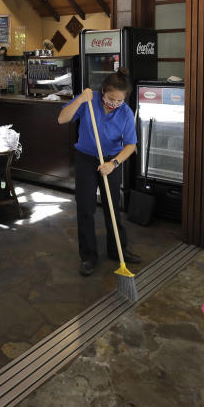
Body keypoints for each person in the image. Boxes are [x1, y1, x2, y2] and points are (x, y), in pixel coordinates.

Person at [57, 69, 142, 276]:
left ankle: (118, 250)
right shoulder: (89, 100)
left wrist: (113, 163)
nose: (114, 103)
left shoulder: (125, 113)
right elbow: (62, 119)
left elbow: (130, 145)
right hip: (86, 158)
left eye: (119, 100)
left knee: (112, 207)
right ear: (103, 91)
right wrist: (80, 100)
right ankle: (88, 256)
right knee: (85, 208)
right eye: (111, 98)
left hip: (111, 160)